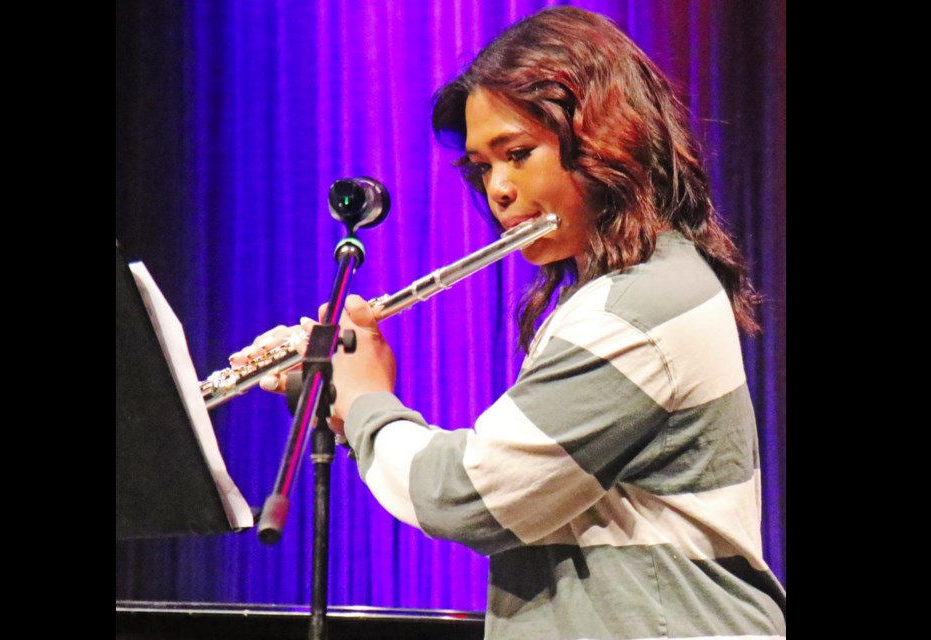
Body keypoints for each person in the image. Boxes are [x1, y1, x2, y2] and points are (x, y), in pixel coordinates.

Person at [241, 6, 785, 639]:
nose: (497, 188)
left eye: (518, 153)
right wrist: (337, 392)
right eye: (482, 166)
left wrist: (368, 400)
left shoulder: (640, 306)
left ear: (607, 137)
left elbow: (470, 497)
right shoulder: (625, 293)